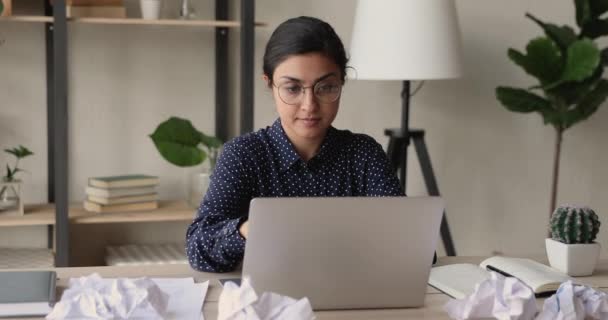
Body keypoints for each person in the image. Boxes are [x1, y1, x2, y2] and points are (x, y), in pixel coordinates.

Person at [186, 16, 404, 273]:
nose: (309, 105)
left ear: (341, 83)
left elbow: (409, 245)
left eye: (326, 87)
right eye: (292, 88)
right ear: (269, 83)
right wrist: (249, 229)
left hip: (353, 293)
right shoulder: (243, 154)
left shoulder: (363, 154)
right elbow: (198, 248)